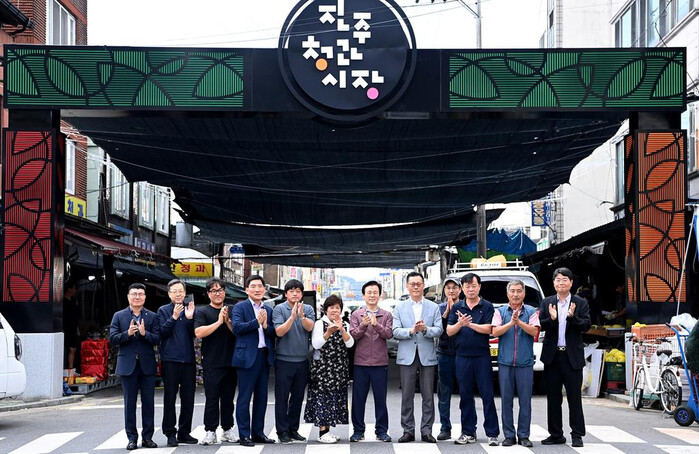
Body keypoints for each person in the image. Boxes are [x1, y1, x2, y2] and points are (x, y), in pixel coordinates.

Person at [539, 267, 591, 448]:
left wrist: (572, 317)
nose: (561, 283)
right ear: (553, 283)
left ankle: (577, 434)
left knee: (574, 397)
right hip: (553, 357)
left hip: (572, 357)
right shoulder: (547, 302)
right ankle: (555, 434)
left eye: (564, 280)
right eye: (558, 280)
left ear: (571, 282)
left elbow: (586, 326)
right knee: (553, 398)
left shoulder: (580, 302)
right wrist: (552, 319)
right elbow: (540, 325)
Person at [446, 273, 499, 446]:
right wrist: (460, 324)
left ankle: (492, 433)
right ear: (462, 288)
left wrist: (470, 324)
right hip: (462, 356)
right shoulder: (457, 307)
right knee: (465, 395)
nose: (470, 289)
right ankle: (468, 432)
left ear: (479, 287)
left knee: (487, 394)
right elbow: (449, 331)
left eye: (473, 286)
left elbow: (490, 329)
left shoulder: (487, 306)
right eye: (467, 286)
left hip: (482, 356)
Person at [109, 283, 160, 450]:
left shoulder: (152, 316)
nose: (137, 297)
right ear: (128, 297)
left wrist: (145, 334)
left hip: (147, 365)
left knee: (148, 403)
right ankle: (131, 438)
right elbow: (113, 338)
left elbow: (158, 338)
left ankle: (147, 437)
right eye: (134, 294)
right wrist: (127, 334)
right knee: (129, 403)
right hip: (127, 365)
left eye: (140, 294)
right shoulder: (119, 316)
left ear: (145, 297)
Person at [392, 272, 442, 443]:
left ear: (423, 285)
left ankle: (427, 430)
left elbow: (439, 330)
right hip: (407, 355)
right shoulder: (399, 307)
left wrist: (425, 329)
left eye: (418, 284)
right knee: (407, 395)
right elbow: (395, 331)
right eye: (412, 284)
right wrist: (411, 330)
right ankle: (408, 430)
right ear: (407, 286)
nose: (415, 287)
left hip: (427, 354)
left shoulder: (433, 307)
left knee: (428, 395)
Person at [491, 280, 540, 448]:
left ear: (524, 293)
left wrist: (519, 322)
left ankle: (524, 435)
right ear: (507, 293)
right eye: (512, 291)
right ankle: (509, 435)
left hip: (525, 362)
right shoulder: (500, 311)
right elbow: (495, 331)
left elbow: (534, 331)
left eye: (519, 291)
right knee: (506, 400)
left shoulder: (531, 311)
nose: (516, 294)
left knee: (525, 400)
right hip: (505, 362)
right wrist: (511, 323)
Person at [232, 275, 276, 447]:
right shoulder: (240, 307)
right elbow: (236, 328)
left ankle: (258, 433)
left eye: (260, 286)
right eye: (253, 286)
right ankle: (244, 435)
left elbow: (273, 333)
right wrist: (256, 322)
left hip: (263, 356)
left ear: (264, 289)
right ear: (247, 290)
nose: (257, 289)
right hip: (247, 357)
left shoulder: (269, 309)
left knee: (262, 397)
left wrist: (265, 326)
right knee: (244, 397)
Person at [304, 295, 354, 443]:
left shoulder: (344, 324)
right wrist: (329, 332)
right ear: (326, 310)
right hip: (323, 368)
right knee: (323, 398)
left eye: (337, 308)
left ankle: (328, 431)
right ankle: (322, 432)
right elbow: (316, 344)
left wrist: (342, 330)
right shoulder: (320, 324)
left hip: (339, 367)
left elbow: (350, 344)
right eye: (331, 307)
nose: (334, 310)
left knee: (334, 399)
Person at [194, 277, 237, 446]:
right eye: (213, 290)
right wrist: (219, 322)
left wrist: (227, 322)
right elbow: (198, 333)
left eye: (220, 290)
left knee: (228, 398)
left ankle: (227, 429)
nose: (217, 293)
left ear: (224, 292)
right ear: (208, 293)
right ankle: (210, 431)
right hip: (211, 362)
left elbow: (238, 332)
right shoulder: (202, 312)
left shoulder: (232, 310)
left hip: (231, 361)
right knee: (211, 398)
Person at [349, 280, 393, 443]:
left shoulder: (386, 315)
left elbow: (389, 334)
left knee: (380, 399)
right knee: (358, 399)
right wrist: (363, 325)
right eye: (369, 292)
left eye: (375, 292)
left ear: (380, 295)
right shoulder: (356, 314)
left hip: (380, 363)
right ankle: (358, 431)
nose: (372, 295)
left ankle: (381, 431)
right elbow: (353, 335)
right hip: (360, 363)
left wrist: (376, 325)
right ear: (363, 295)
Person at [272, 279, 315, 444]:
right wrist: (292, 317)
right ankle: (282, 431)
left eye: (298, 291)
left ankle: (293, 429)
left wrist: (301, 315)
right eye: (291, 291)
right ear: (286, 294)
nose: (295, 294)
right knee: (282, 398)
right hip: (283, 360)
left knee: (297, 398)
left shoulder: (308, 309)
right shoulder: (279, 309)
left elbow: (310, 327)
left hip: (302, 361)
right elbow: (279, 331)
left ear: (302, 294)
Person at [156, 279, 197, 447]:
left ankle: (184, 432)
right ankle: (170, 432)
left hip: (188, 359)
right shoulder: (163, 310)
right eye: (175, 291)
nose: (178, 294)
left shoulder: (190, 308)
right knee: (170, 397)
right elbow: (162, 333)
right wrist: (173, 317)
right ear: (169, 294)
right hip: (170, 359)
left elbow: (194, 333)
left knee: (188, 397)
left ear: (185, 293)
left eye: (181, 291)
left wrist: (189, 318)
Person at [436, 277, 460, 441]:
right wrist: (446, 314)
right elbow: (438, 331)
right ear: (444, 290)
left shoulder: (465, 306)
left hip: (462, 354)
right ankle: (445, 427)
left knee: (465, 391)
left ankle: (468, 428)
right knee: (444, 392)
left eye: (454, 287)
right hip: (444, 353)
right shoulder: (438, 308)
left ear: (460, 289)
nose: (451, 290)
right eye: (448, 288)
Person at [63, 281, 79, 369]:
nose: (75, 291)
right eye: (74, 288)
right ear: (69, 289)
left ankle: (71, 369)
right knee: (70, 349)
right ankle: (69, 368)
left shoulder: (73, 302)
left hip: (73, 328)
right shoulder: (63, 303)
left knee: (73, 348)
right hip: (66, 328)